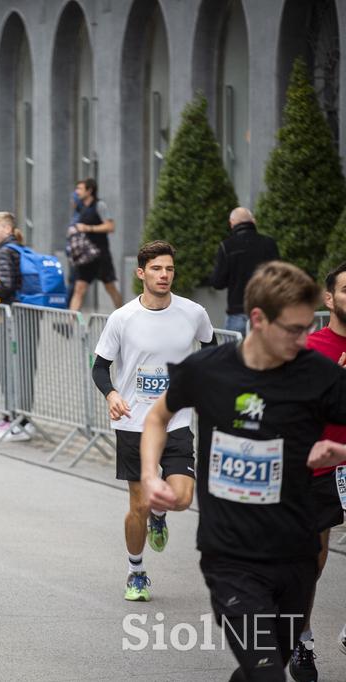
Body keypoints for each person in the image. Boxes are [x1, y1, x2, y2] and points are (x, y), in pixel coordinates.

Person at [141, 261, 346, 682]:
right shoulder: (208, 369)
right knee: (267, 672)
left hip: (295, 552)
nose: (303, 339)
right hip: (230, 555)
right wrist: (149, 474)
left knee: (264, 669)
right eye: (292, 329)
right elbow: (157, 418)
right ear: (257, 319)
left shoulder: (317, 374)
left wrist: (340, 448)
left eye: (308, 327)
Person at [91, 241, 214, 602]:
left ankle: (161, 514)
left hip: (176, 421)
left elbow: (209, 353)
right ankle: (136, 571)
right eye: (157, 269)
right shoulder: (123, 318)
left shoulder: (193, 313)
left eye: (170, 269)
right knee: (138, 505)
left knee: (180, 496)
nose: (164, 275)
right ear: (141, 272)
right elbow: (100, 367)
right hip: (134, 424)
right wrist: (113, 395)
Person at [288, 261, 346, 679]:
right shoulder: (311, 349)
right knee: (314, 559)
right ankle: (301, 639)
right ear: (330, 299)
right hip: (322, 467)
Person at [0, 211, 36, 443]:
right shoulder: (20, 249)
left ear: (6, 229)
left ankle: (16, 419)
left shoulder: (5, 251)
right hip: (25, 316)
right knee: (23, 367)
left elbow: (7, 286)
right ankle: (19, 417)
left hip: (9, 319)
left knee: (8, 367)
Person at [211, 207, 281, 336]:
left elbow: (217, 282)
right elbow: (279, 276)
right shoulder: (269, 243)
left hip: (237, 313)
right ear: (253, 222)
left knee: (234, 354)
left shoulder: (227, 246)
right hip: (265, 312)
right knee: (265, 355)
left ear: (231, 223)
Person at [68, 178, 123, 312]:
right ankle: (69, 325)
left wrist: (88, 228)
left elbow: (110, 226)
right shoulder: (81, 207)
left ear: (89, 190)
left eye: (80, 189)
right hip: (85, 257)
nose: (77, 191)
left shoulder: (100, 205)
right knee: (79, 288)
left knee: (110, 287)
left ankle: (124, 317)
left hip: (101, 255)